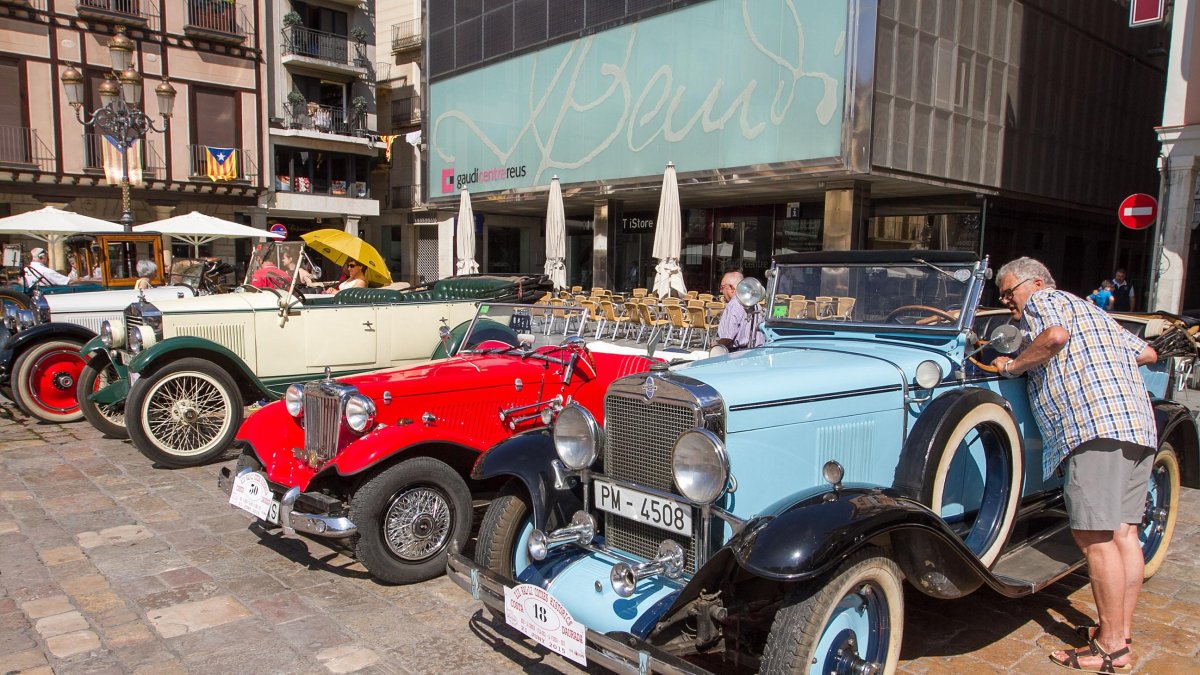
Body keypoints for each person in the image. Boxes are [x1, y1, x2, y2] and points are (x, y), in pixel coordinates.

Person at [990, 257, 1156, 674]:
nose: (1006, 300)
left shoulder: (1044, 302)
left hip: (1093, 428)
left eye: (1009, 292)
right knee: (1124, 534)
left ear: (1036, 283)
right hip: (1136, 424)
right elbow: (1148, 352)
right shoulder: (1092, 310)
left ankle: (1111, 649)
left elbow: (1057, 337)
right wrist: (1103, 367)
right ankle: (1118, 631)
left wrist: (1013, 365)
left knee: (1094, 538)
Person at [715, 271, 763, 350]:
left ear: (731, 288)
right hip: (756, 351)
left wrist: (716, 345)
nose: (721, 291)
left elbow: (727, 338)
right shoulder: (756, 303)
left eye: (722, 287)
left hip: (736, 353)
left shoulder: (734, 304)